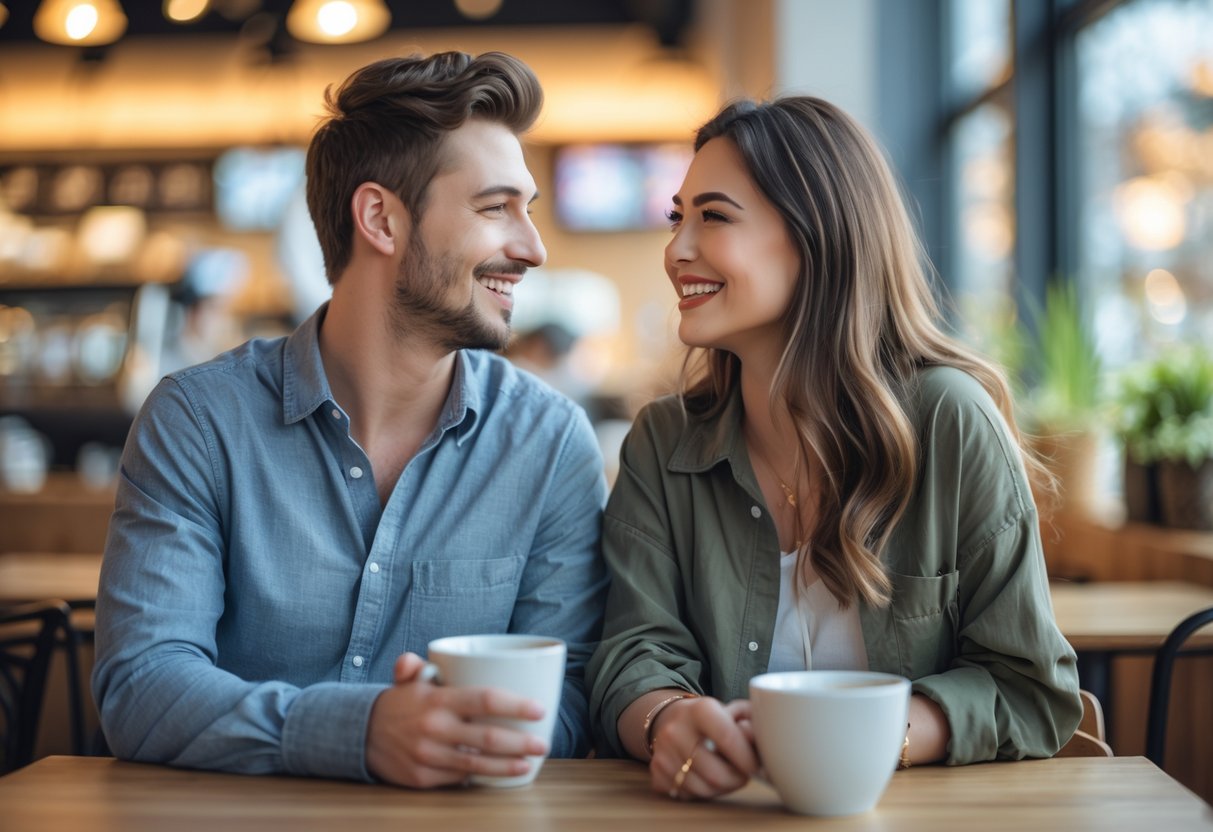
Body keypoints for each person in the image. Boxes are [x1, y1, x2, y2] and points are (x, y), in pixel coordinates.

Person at [93, 51, 609, 788]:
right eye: (497, 208)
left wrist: (454, 740)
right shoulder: (198, 420)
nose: (532, 247)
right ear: (380, 219)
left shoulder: (548, 442)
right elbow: (140, 686)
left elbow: (570, 701)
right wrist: (359, 733)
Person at [586, 96, 1082, 800]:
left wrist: (865, 740)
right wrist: (667, 721)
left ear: (817, 237)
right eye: (678, 217)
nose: (675, 250)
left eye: (714, 217)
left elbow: (1031, 690)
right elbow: (631, 656)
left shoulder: (948, 420)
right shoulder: (663, 442)